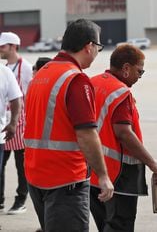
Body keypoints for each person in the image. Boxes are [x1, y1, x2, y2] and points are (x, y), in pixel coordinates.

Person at [24, 19, 114, 232]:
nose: (97, 52)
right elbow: (86, 134)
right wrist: (102, 175)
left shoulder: (41, 74)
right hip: (65, 180)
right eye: (99, 47)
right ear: (89, 46)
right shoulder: (76, 80)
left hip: (36, 175)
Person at [89, 44, 157, 231]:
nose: (139, 77)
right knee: (119, 225)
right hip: (119, 176)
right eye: (139, 71)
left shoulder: (92, 83)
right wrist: (152, 163)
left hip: (93, 173)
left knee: (104, 224)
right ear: (126, 68)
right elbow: (124, 133)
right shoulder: (120, 92)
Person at [0, 32, 32, 214]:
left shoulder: (25, 68)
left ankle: (21, 200)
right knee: (2, 163)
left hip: (20, 123)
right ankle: (0, 199)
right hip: (5, 122)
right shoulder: (5, 68)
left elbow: (29, 96)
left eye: (3, 46)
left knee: (22, 165)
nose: (0, 50)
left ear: (13, 46)